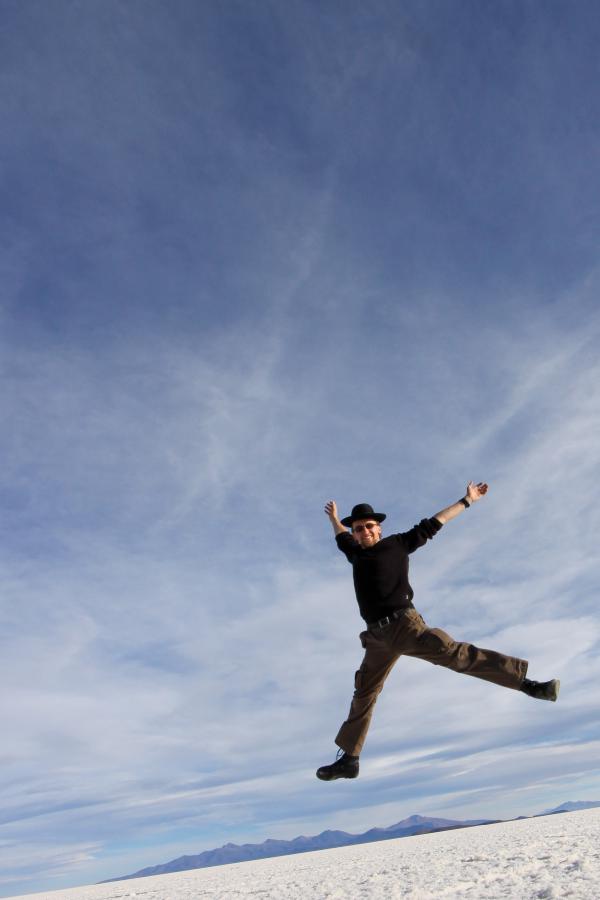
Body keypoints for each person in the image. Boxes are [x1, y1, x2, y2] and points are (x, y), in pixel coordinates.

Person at [316, 483, 560, 781]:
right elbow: (339, 535)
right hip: (376, 639)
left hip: (407, 627)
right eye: (358, 528)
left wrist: (467, 500)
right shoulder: (354, 552)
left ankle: (528, 684)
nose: (363, 531)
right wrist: (334, 518)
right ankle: (350, 759)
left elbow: (435, 523)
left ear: (378, 529)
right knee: (364, 693)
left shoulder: (397, 544)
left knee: (456, 655)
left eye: (368, 526)